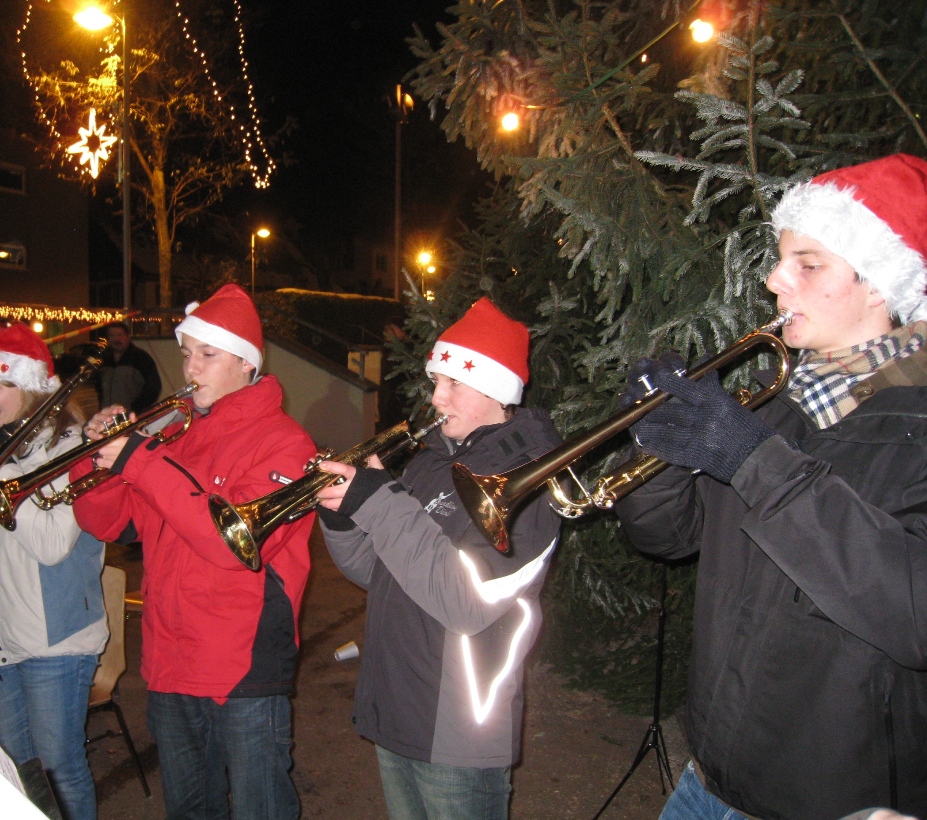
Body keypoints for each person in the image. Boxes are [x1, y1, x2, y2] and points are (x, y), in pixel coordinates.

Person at [613, 153, 927, 819]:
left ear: (878, 284)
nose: (774, 280)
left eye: (807, 264)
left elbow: (913, 611)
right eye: (782, 260)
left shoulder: (918, 422)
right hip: (705, 780)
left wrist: (752, 458)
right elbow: (666, 538)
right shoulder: (773, 405)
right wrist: (660, 440)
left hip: (828, 803)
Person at [72, 284, 317, 819]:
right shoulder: (172, 437)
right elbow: (107, 522)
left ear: (247, 362)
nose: (191, 368)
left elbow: (231, 543)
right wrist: (98, 459)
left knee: (261, 810)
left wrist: (140, 461)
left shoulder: (286, 443)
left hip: (242, 667)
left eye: (208, 354)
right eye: (186, 353)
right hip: (169, 660)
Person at [316, 297, 562, 820]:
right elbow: (381, 572)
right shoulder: (429, 463)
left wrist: (379, 503)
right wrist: (343, 517)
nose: (435, 396)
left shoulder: (529, 480)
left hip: (457, 729)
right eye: (435, 380)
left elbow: (466, 603)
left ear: (497, 390)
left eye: (453, 382)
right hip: (397, 707)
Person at [0, 323, 108, 820]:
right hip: (5, 636)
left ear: (30, 386)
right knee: (19, 775)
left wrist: (4, 474)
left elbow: (51, 544)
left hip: (57, 638)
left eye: (3, 384)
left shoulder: (70, 444)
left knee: (59, 770)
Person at [97, 321, 161, 413]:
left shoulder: (141, 358)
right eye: (112, 335)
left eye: (120, 335)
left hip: (131, 415)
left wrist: (135, 407)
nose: (116, 339)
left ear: (128, 336)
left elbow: (153, 388)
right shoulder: (103, 360)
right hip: (107, 415)